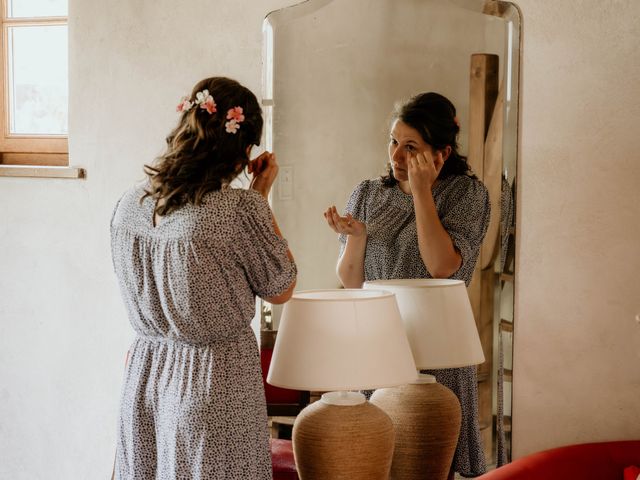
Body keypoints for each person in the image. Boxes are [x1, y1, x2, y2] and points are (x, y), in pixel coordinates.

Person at [110, 76, 296, 480]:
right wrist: (260, 195)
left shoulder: (130, 203)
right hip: (214, 385)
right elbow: (281, 285)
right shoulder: (236, 209)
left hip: (145, 382)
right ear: (242, 148)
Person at [324, 92, 490, 477]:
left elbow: (442, 267)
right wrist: (357, 238)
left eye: (410, 147)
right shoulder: (367, 194)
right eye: (393, 141)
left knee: (426, 464)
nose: (396, 156)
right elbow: (351, 282)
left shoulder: (467, 195)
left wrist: (421, 192)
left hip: (436, 350)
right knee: (372, 460)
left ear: (442, 153)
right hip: (377, 342)